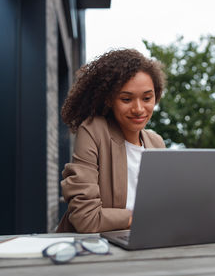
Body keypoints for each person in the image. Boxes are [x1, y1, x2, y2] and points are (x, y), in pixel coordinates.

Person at [56, 49, 166, 233]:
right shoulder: (93, 130)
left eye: (147, 98)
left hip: (145, 239)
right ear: (109, 99)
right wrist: (142, 218)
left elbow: (164, 207)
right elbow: (86, 218)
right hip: (97, 247)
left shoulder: (156, 143)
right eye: (126, 99)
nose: (139, 109)